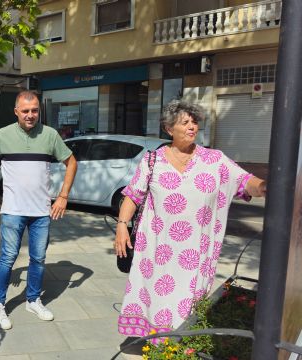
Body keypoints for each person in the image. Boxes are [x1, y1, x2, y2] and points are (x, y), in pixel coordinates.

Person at [114, 100, 267, 340]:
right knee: (156, 296)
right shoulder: (152, 161)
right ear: (168, 128)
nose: (191, 127)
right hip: (157, 249)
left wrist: (267, 186)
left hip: (195, 254)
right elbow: (133, 196)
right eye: (184, 122)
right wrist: (122, 226)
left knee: (188, 300)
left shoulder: (215, 160)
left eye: (194, 122)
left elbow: (244, 180)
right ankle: (158, 343)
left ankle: (180, 343)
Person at [0, 90, 77, 330]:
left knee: (38, 258)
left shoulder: (49, 135)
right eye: (26, 111)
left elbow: (72, 162)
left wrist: (63, 196)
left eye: (35, 110)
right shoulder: (3, 135)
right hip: (13, 211)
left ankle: (32, 299)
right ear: (16, 112)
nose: (31, 115)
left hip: (41, 211)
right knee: (8, 258)